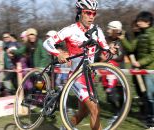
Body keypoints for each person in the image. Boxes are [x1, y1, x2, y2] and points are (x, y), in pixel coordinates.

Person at [43, 0, 118, 130]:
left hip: (90, 77)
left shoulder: (97, 31)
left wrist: (110, 51)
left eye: (94, 13)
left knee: (83, 112)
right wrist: (58, 54)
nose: (91, 16)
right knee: (95, 110)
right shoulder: (70, 30)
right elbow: (47, 43)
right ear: (79, 13)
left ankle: (63, 128)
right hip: (76, 78)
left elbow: (105, 54)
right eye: (87, 12)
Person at [119, 11, 154, 129]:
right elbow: (131, 48)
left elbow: (153, 54)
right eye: (137, 20)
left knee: (150, 96)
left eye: (140, 20)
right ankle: (150, 120)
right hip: (143, 71)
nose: (138, 22)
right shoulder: (139, 35)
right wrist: (123, 39)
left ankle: (151, 119)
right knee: (147, 96)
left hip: (151, 70)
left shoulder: (152, 34)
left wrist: (140, 62)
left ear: (148, 22)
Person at [99, 21, 126, 111]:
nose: (107, 30)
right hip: (107, 71)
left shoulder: (122, 40)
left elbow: (121, 56)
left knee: (121, 92)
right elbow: (101, 54)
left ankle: (123, 110)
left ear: (115, 30)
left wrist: (110, 56)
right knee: (109, 95)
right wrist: (102, 57)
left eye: (110, 28)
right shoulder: (106, 40)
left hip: (119, 69)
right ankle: (116, 110)